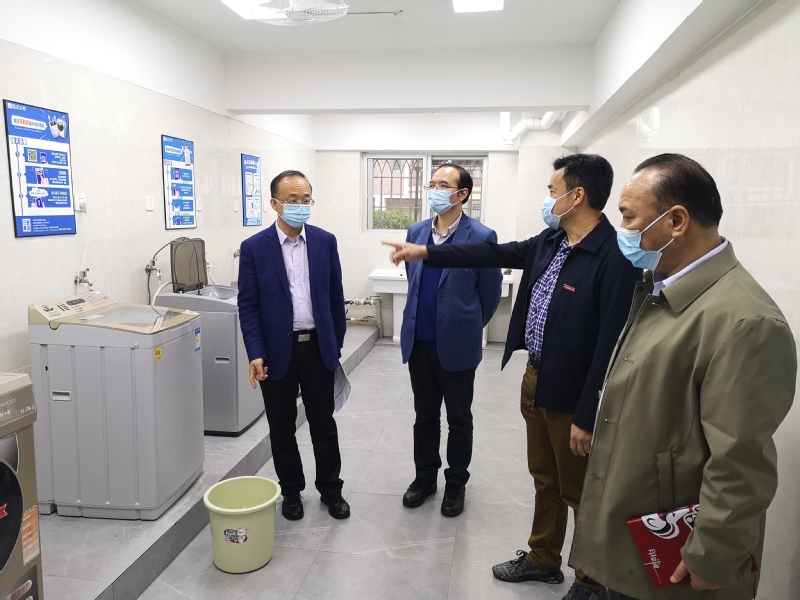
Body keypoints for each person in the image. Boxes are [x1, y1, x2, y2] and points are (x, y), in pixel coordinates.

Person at [385, 154, 641, 600]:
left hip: (573, 390)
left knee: (580, 490)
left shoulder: (613, 255)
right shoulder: (552, 240)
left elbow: (610, 346)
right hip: (536, 377)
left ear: (576, 196)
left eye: (552, 191)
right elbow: (493, 254)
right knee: (545, 478)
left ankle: (590, 581)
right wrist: (426, 251)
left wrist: (587, 414)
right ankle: (543, 559)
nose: (548, 198)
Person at [569, 154, 797, 600]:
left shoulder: (745, 322)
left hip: (679, 563)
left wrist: (712, 553)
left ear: (675, 221)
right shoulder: (660, 288)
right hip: (637, 539)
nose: (621, 230)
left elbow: (740, 461)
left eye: (628, 217)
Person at [238, 169, 350, 521]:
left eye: (306, 200)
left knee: (323, 424)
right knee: (282, 427)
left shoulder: (324, 241)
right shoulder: (254, 248)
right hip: (276, 352)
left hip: (317, 348)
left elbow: (335, 296)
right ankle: (290, 491)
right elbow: (249, 305)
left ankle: (331, 489)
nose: (301, 206)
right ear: (275, 204)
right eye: (293, 200)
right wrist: (255, 352)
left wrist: (335, 343)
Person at [400, 163, 502, 518]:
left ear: (462, 194)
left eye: (443, 185)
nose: (435, 191)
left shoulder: (482, 237)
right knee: (424, 417)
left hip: (457, 346)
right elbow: (415, 284)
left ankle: (456, 483)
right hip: (419, 345)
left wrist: (465, 326)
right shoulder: (416, 232)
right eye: (432, 184)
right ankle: (424, 478)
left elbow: (489, 296)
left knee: (459, 419)